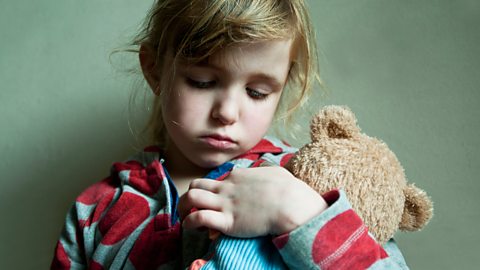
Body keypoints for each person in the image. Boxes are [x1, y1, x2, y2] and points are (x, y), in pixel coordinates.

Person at [51, 0, 409, 269]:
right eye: (202, 82)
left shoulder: (309, 181)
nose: (227, 112)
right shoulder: (96, 212)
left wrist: (300, 214)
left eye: (257, 92)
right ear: (155, 70)